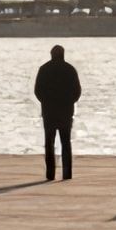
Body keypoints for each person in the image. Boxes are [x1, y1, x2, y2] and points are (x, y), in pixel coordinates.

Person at [33, 45, 81, 181]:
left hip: (49, 112)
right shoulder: (70, 70)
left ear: (51, 54)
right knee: (66, 142)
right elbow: (77, 91)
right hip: (66, 111)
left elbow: (38, 90)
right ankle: (67, 173)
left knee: (49, 143)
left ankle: (50, 174)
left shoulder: (44, 69)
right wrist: (69, 102)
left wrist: (46, 102)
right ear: (63, 54)